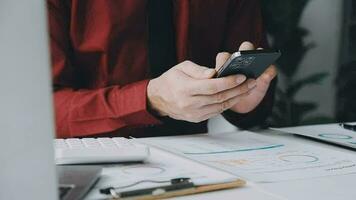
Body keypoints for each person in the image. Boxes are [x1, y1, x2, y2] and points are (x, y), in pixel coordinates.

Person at [47, 0, 277, 138]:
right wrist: (149, 100)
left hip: (200, 160)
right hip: (86, 162)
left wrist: (237, 99)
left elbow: (253, 92)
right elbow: (39, 112)